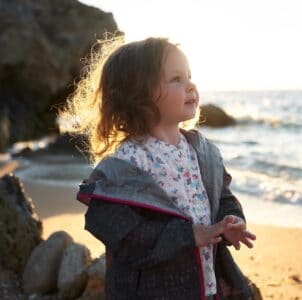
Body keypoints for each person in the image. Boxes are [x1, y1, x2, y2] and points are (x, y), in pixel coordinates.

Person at [58, 35, 257, 300]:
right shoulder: (128, 162)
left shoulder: (202, 151)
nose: (190, 85)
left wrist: (232, 219)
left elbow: (221, 196)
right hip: (156, 289)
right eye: (176, 79)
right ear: (139, 94)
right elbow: (121, 231)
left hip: (207, 284)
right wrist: (189, 236)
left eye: (189, 76)